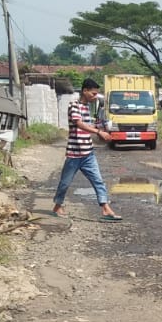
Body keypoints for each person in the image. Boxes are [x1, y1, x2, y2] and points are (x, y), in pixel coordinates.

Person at [53, 78, 121, 221]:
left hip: (88, 153)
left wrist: (101, 128)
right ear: (85, 91)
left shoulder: (87, 107)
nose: (95, 96)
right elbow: (79, 124)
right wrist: (98, 132)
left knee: (98, 181)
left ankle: (106, 209)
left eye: (96, 94)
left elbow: (88, 125)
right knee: (65, 183)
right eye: (93, 93)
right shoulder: (74, 105)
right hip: (74, 153)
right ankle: (57, 206)